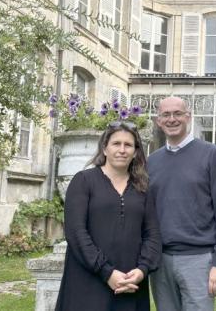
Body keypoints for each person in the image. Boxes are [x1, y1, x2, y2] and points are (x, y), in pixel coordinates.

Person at [55, 121, 161, 311]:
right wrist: (107, 272)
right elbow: (76, 233)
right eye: (116, 144)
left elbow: (152, 234)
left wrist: (142, 270)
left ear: (136, 151)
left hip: (130, 283)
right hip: (88, 281)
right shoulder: (83, 182)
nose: (122, 150)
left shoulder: (143, 188)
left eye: (128, 145)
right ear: (104, 148)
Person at [148, 96, 216, 311]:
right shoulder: (151, 161)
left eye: (177, 114)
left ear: (188, 117)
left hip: (199, 261)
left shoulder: (210, 155)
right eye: (165, 115)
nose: (172, 119)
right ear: (158, 121)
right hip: (160, 263)